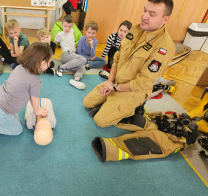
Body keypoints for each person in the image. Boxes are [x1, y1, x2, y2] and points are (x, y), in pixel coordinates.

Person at [83, 0, 176, 128]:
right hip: (116, 82)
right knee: (87, 102)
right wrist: (110, 81)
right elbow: (117, 57)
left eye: (152, 14)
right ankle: (110, 105)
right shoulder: (135, 30)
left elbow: (143, 82)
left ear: (165, 19)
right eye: (144, 10)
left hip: (133, 92)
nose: (144, 16)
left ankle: (134, 113)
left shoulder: (164, 47)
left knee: (100, 121)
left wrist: (115, 88)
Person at [0, 42, 52, 143]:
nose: (50, 64)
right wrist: (38, 111)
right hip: (0, 109)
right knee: (17, 130)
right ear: (42, 63)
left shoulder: (19, 67)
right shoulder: (35, 81)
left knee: (15, 117)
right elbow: (34, 100)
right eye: (49, 62)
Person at [54, 15, 87, 90]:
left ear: (72, 26)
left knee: (82, 66)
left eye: (69, 26)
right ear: (62, 24)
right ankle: (62, 67)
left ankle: (76, 80)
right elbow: (54, 43)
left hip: (72, 55)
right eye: (65, 26)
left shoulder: (72, 31)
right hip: (66, 55)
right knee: (83, 60)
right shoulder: (60, 34)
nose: (67, 28)